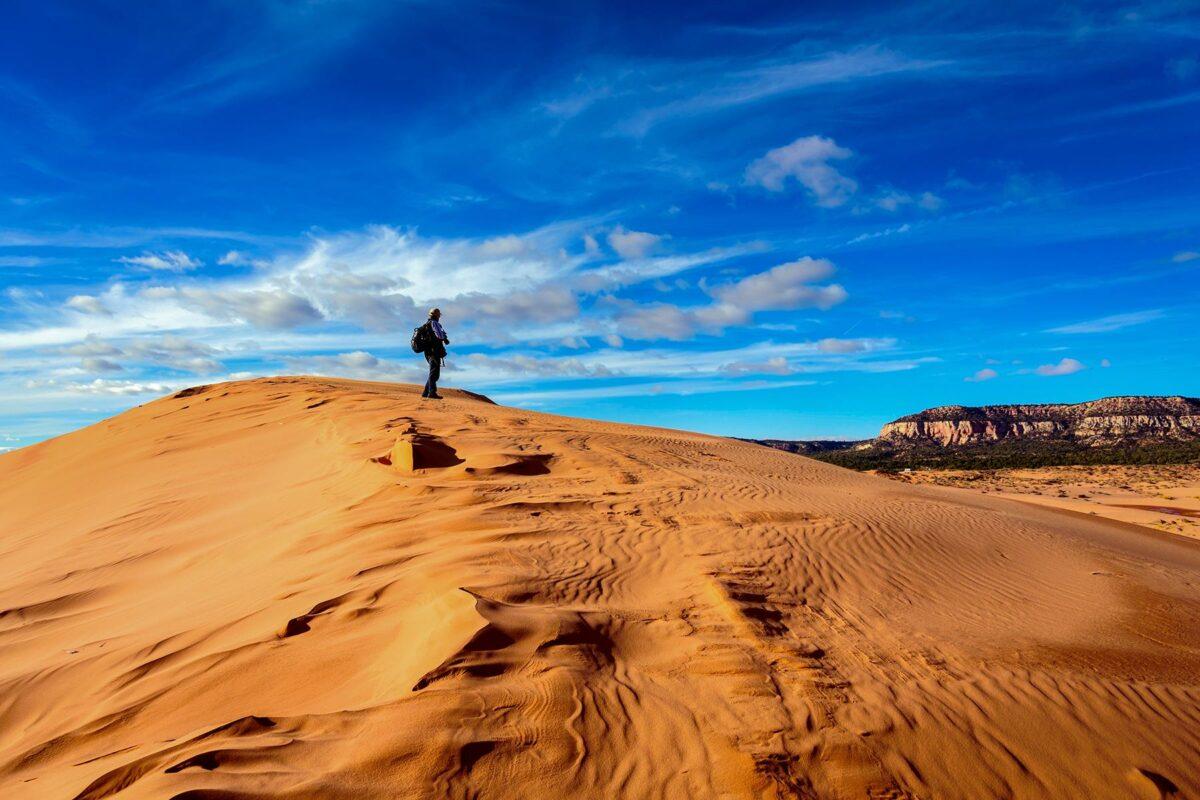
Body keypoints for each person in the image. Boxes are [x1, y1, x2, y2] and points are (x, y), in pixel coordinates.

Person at [421, 307, 450, 399]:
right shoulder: (434, 323)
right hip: (434, 351)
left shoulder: (427, 324)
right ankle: (432, 393)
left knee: (433, 372)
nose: (439, 317)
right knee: (434, 373)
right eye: (438, 315)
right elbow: (439, 335)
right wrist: (445, 339)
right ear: (437, 316)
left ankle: (426, 392)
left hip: (428, 351)